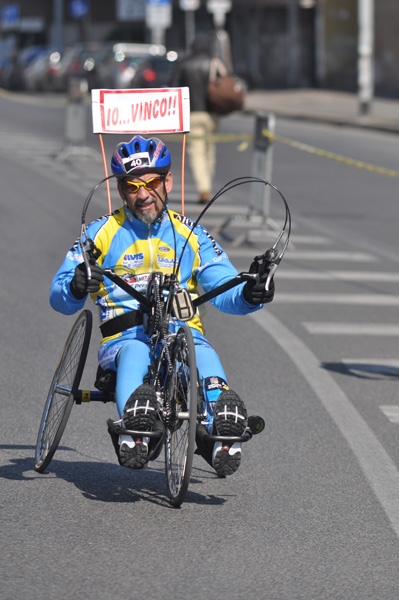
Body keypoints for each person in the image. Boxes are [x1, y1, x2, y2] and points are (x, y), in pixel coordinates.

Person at [50, 135, 274, 477]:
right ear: (121, 190)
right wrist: (76, 284)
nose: (142, 195)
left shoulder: (192, 235)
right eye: (131, 186)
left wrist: (249, 294)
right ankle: (135, 431)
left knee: (202, 355)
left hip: (182, 336)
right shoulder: (100, 233)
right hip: (124, 340)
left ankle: (219, 433)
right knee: (137, 354)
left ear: (167, 181)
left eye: (151, 183)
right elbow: (59, 295)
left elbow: (224, 288)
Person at [170, 32, 219, 204]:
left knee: (197, 151)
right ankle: (207, 185)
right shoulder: (213, 63)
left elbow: (173, 88)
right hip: (212, 114)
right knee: (209, 151)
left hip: (191, 113)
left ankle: (204, 189)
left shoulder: (184, 64)